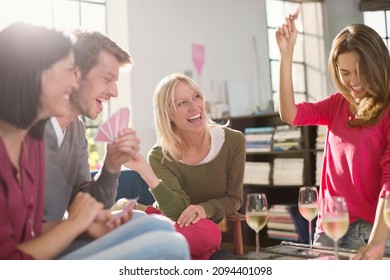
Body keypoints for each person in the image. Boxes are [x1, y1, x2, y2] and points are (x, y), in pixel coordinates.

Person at [43, 29, 190, 259]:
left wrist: (111, 166)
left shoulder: (77, 129)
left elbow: (80, 203)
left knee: (157, 225)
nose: (114, 91)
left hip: (61, 238)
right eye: (107, 79)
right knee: (173, 246)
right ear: (75, 73)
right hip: (38, 250)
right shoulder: (28, 129)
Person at [275, 13, 390, 256]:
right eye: (345, 73)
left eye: (361, 71)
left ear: (378, 65)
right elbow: (290, 114)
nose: (354, 82)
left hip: (375, 230)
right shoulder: (337, 104)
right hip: (330, 226)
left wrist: (378, 242)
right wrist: (286, 55)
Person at [125, 73, 246, 259]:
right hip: (169, 218)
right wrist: (145, 171)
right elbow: (175, 211)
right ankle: (131, 215)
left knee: (209, 233)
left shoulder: (233, 141)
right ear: (168, 115)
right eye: (182, 103)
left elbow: (234, 198)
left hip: (199, 228)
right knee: (207, 235)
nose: (194, 107)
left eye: (196, 97)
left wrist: (205, 209)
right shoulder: (159, 155)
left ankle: (148, 243)